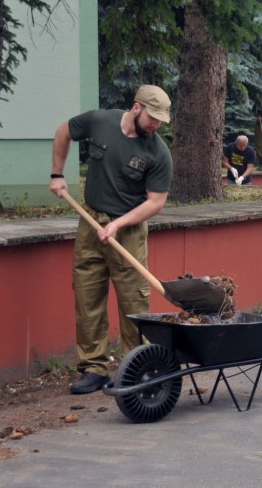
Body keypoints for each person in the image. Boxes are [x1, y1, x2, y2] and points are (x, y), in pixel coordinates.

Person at [50, 84, 173, 394]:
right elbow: (63, 131)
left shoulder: (158, 152)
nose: (155, 125)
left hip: (127, 230)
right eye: (152, 117)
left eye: (161, 120)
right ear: (136, 108)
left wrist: (118, 224)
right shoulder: (99, 121)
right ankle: (94, 368)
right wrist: (57, 174)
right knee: (87, 295)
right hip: (90, 222)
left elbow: (155, 202)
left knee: (134, 300)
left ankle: (138, 368)